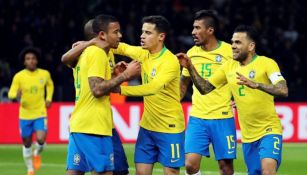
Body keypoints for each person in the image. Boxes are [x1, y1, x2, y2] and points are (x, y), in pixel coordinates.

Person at [177, 25, 288, 175]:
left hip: (270, 130)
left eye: (238, 43)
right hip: (248, 136)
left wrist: (257, 85)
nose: (233, 46)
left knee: (268, 171)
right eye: (232, 42)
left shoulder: (267, 63)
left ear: (251, 46)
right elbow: (205, 88)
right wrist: (190, 67)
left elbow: (282, 90)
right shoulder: (228, 67)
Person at [63, 14, 140, 175]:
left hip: (82, 122)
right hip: (94, 125)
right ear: (101, 35)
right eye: (116, 32)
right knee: (107, 172)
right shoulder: (97, 53)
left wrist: (115, 75)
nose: (120, 35)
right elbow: (97, 89)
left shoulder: (86, 53)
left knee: (75, 172)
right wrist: (126, 76)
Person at [112, 16, 185, 175]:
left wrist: (120, 90)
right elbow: (120, 47)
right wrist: (89, 44)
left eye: (148, 32)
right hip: (147, 127)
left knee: (171, 172)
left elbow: (153, 88)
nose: (142, 36)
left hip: (170, 127)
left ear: (161, 36)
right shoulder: (143, 53)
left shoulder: (170, 61)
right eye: (142, 32)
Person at [180, 10, 236, 175]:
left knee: (225, 167)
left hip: (223, 117)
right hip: (198, 117)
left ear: (210, 30)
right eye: (193, 28)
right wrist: (173, 101)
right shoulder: (191, 53)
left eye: (197, 28)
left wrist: (240, 98)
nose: (193, 32)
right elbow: (184, 83)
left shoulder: (229, 52)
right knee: (190, 165)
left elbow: (242, 75)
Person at [8, 47, 54, 175]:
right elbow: (11, 92)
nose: (31, 61)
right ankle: (30, 168)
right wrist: (16, 96)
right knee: (26, 142)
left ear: (37, 61)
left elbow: (50, 85)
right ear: (24, 62)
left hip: (40, 113)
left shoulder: (44, 74)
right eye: (28, 59)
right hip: (25, 115)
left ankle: (37, 152)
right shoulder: (19, 76)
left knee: (40, 139)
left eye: (33, 58)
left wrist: (49, 98)